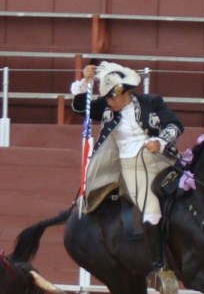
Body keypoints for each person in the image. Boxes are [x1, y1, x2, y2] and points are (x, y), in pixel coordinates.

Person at [71, 62, 183, 282]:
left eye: (112, 97)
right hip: (132, 167)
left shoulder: (152, 102)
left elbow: (175, 124)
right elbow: (78, 106)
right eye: (107, 98)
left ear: (122, 92)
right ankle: (160, 269)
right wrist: (86, 81)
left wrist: (160, 141)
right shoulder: (105, 108)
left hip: (161, 158)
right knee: (151, 210)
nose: (108, 102)